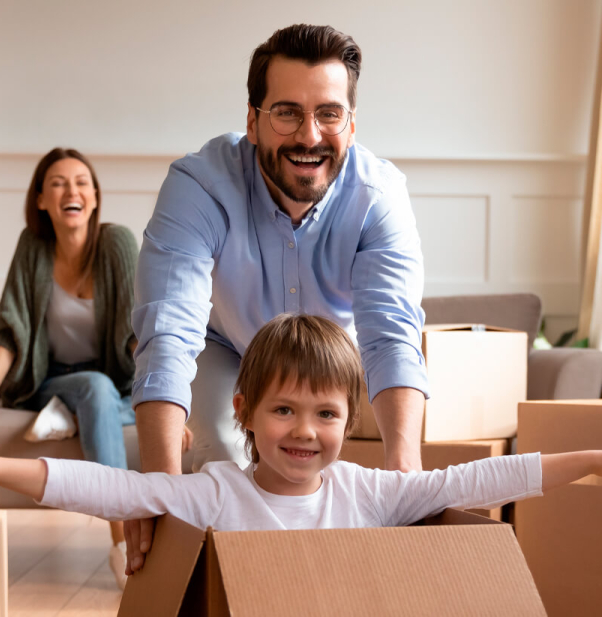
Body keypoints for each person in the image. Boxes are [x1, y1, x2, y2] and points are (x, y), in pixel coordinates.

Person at [0, 314, 602, 536]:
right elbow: (109, 487)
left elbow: (477, 479)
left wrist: (585, 455)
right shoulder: (217, 493)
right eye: (283, 410)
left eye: (327, 413)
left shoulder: (368, 493)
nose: (306, 431)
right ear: (244, 413)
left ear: (351, 418)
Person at [128, 23, 431, 573]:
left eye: (329, 114)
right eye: (287, 112)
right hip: (224, 342)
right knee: (221, 460)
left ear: (352, 124)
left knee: (311, 478)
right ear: (253, 120)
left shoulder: (379, 198)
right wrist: (158, 488)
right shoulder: (198, 186)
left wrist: (404, 471)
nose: (309, 136)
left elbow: (391, 335)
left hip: (327, 352)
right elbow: (168, 332)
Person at [0, 147, 138, 587]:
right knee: (94, 388)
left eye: (81, 182)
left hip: (114, 380)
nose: (71, 190)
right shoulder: (32, 247)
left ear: (94, 196)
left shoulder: (117, 244)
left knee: (100, 392)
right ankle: (123, 542)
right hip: (47, 378)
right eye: (57, 183)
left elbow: (136, 331)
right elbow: (9, 330)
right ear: (40, 200)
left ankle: (74, 417)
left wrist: (163, 401)